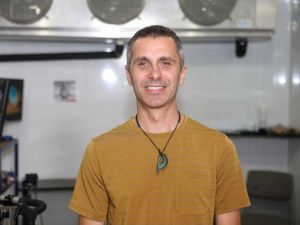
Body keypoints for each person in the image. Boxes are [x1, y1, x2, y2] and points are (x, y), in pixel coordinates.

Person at [69, 25, 250, 225]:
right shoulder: (100, 151)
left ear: (181, 73)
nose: (155, 74)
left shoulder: (219, 148)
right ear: (129, 75)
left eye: (165, 63)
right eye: (143, 63)